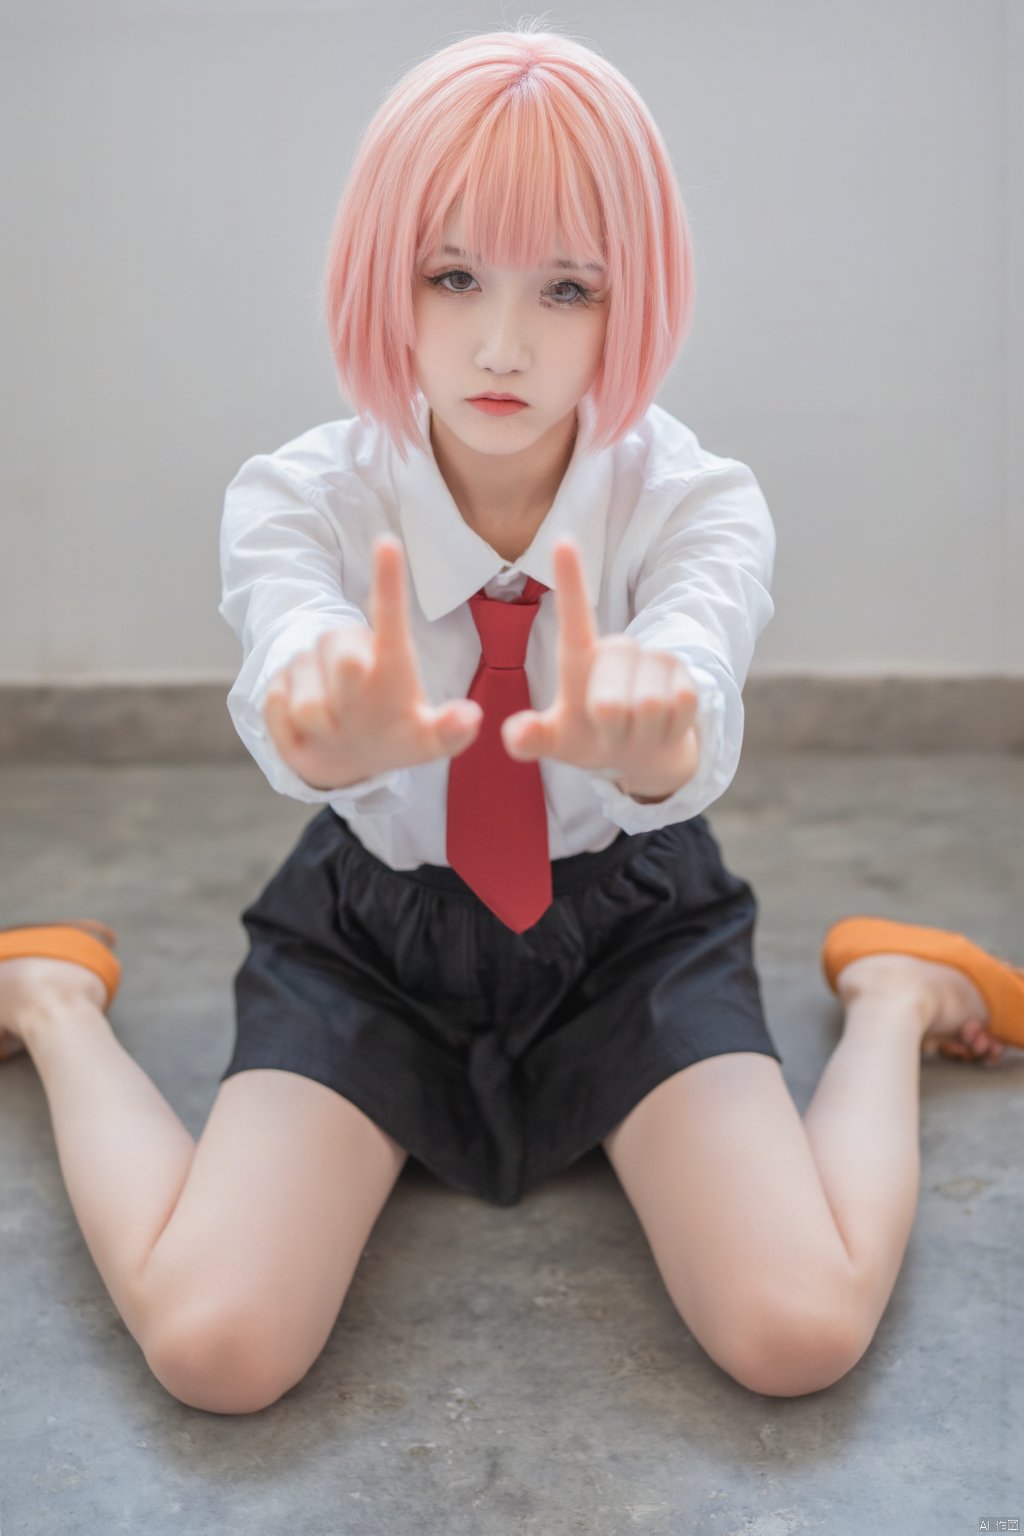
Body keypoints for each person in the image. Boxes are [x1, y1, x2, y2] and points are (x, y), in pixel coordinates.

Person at [1, 22, 1021, 1419]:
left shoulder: (695, 499)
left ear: (633, 297)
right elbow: (289, 658)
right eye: (454, 273)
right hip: (375, 936)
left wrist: (652, 734)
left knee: (797, 1332)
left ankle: (896, 993)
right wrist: (325, 730)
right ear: (386, 276)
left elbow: (693, 671)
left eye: (568, 288)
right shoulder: (300, 497)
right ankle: (52, 997)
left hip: (629, 928)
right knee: (217, 1351)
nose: (500, 341)